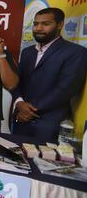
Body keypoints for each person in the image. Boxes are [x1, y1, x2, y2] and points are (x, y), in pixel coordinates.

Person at [12, 8, 87, 141]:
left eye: (46, 24)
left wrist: (29, 111)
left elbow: (66, 89)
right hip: (21, 121)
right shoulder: (27, 52)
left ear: (60, 25)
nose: (39, 28)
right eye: (36, 24)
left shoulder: (76, 53)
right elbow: (17, 82)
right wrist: (19, 103)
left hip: (48, 125)